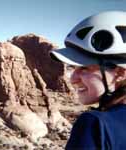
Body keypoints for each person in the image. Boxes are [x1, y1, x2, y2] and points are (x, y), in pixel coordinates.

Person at [49, 11, 126, 150]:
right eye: (73, 68)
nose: (72, 79)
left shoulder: (96, 125)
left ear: (120, 72)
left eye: (84, 68)